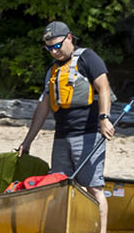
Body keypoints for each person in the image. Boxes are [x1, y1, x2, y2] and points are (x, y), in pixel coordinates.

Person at [16, 21, 114, 188]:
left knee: (93, 188)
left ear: (69, 38)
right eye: (49, 48)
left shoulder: (88, 58)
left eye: (57, 46)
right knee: (59, 186)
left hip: (88, 134)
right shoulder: (52, 70)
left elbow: (104, 88)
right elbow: (43, 107)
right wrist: (27, 141)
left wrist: (104, 118)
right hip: (61, 136)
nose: (54, 51)